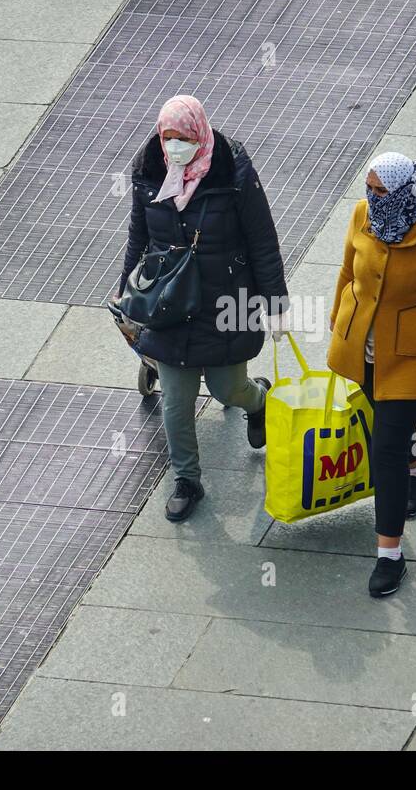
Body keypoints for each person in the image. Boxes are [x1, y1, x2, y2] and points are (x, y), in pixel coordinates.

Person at [118, 95, 289, 522]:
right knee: (176, 400)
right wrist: (127, 292)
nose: (174, 146)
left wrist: (276, 305)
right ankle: (186, 479)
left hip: (227, 298)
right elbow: (139, 237)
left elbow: (262, 240)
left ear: (199, 134)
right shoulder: (149, 173)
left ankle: (259, 401)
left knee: (227, 388)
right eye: (167, 138)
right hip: (170, 303)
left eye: (182, 138)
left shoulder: (232, 173)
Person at [326, 152, 416, 597]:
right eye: (369, 188)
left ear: (404, 189)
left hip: (411, 356)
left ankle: (389, 555)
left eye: (381, 190)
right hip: (363, 351)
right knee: (390, 428)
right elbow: (349, 270)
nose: (373, 197)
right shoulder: (361, 215)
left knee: (383, 447)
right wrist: (337, 320)